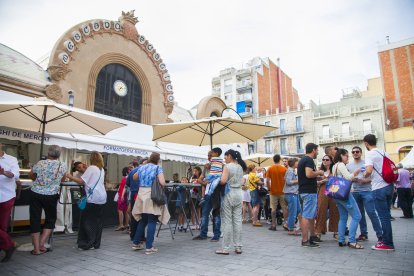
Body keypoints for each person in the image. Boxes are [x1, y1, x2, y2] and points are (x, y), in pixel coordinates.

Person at [28, 145, 67, 255]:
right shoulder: (62, 165)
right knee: (51, 219)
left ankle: (36, 249)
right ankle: (42, 243)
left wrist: (39, 180)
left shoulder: (40, 163)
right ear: (59, 155)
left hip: (36, 193)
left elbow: (31, 175)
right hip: (51, 195)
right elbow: (63, 179)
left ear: (49, 153)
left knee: (35, 218)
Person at [66, 151, 107, 250]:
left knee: (87, 221)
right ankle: (96, 243)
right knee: (97, 222)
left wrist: (70, 176)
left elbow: (81, 181)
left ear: (91, 158)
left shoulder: (92, 168)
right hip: (102, 197)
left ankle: (87, 243)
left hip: (92, 198)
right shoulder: (101, 169)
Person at [131, 152, 170, 255]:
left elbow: (134, 177)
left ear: (149, 159)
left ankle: (136, 243)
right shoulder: (158, 168)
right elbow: (162, 183)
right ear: (158, 160)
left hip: (141, 194)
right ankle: (149, 247)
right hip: (151, 195)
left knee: (143, 220)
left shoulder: (142, 167)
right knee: (152, 220)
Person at [363, 134, 395, 251]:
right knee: (386, 214)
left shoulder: (370, 154)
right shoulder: (384, 152)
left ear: (366, 143)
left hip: (379, 187)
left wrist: (365, 174)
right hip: (389, 186)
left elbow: (369, 170)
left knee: (384, 217)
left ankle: (387, 243)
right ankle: (387, 240)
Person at [347, 146, 383, 242]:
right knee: (359, 214)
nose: (355, 153)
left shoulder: (367, 164)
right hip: (355, 192)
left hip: (367, 191)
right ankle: (363, 234)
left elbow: (373, 177)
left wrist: (365, 180)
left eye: (357, 151)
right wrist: (352, 179)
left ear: (361, 152)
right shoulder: (348, 166)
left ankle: (380, 235)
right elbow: (347, 178)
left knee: (371, 212)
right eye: (353, 152)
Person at [215, 149, 247, 255]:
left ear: (229, 156)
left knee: (227, 221)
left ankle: (226, 248)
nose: (225, 158)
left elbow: (223, 181)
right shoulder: (240, 167)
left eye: (225, 156)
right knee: (237, 221)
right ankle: (238, 247)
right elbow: (243, 181)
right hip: (239, 194)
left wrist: (215, 180)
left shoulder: (227, 167)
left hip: (229, 193)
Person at [332, 148, 363, 249]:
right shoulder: (341, 165)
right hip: (345, 194)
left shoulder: (335, 165)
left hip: (337, 195)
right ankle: (352, 241)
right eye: (346, 156)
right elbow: (349, 177)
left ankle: (341, 240)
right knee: (357, 216)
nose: (348, 158)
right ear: (341, 155)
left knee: (343, 217)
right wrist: (356, 172)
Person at [298, 143, 324, 248]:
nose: (318, 152)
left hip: (305, 190)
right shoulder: (308, 160)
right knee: (307, 215)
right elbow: (308, 174)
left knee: (311, 215)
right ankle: (305, 240)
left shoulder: (303, 160)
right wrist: (319, 172)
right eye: (317, 150)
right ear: (313, 150)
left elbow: (306, 176)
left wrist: (316, 180)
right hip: (309, 192)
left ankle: (312, 236)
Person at [0, 142, 19, 262]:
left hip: (6, 195)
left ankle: (6, 246)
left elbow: (15, 175)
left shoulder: (11, 159)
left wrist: (4, 172)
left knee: (2, 226)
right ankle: (9, 245)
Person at [314, 155, 339, 240]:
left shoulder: (334, 170)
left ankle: (336, 231)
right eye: (323, 159)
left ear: (331, 161)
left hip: (333, 191)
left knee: (335, 211)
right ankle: (318, 231)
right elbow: (315, 183)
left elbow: (339, 181)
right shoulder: (319, 171)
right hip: (322, 191)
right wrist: (321, 181)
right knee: (321, 211)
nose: (325, 161)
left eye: (327, 159)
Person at [266, 154, 287, 231]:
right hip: (283, 191)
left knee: (273, 208)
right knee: (284, 208)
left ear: (273, 160)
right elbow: (286, 180)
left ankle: (273, 225)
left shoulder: (270, 169)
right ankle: (285, 223)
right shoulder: (284, 169)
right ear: (280, 160)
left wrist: (269, 188)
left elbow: (267, 181)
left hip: (273, 191)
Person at [284, 158, 301, 236]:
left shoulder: (292, 170)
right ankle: (290, 229)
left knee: (298, 210)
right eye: (297, 162)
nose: (298, 163)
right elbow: (288, 181)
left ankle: (288, 224)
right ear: (294, 163)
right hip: (291, 193)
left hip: (294, 193)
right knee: (293, 212)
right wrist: (298, 181)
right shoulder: (290, 171)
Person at [116, 167, 130, 231]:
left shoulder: (124, 178)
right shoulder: (128, 178)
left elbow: (123, 188)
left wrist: (121, 195)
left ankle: (121, 225)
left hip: (122, 196)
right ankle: (126, 224)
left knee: (120, 210)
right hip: (126, 196)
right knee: (126, 211)